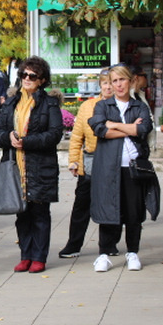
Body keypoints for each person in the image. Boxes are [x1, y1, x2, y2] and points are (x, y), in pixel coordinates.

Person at [0, 56, 63, 274]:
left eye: (32, 76)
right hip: (15, 166)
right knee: (21, 214)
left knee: (39, 214)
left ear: (42, 80)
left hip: (40, 167)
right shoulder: (12, 102)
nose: (27, 78)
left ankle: (39, 256)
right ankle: (25, 255)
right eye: (24, 74)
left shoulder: (49, 103)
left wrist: (27, 141)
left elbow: (55, 135)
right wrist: (9, 137)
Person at [88, 66, 154, 272]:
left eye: (122, 80)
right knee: (108, 209)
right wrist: (128, 128)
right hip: (108, 166)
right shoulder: (102, 105)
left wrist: (114, 125)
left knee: (133, 211)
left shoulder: (139, 106)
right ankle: (104, 254)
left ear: (131, 81)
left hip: (134, 167)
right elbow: (100, 129)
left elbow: (143, 129)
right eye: (114, 81)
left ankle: (132, 252)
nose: (118, 85)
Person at [57, 67, 112, 260]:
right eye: (105, 83)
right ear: (100, 85)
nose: (108, 87)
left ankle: (109, 243)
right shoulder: (87, 106)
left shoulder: (121, 105)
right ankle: (74, 244)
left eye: (112, 82)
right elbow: (76, 137)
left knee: (110, 203)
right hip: (90, 159)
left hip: (113, 161)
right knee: (82, 204)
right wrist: (73, 161)